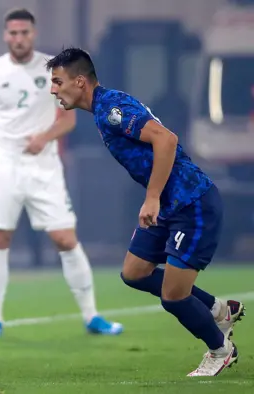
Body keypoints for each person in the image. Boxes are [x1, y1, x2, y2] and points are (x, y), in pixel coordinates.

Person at [45, 47, 245, 377]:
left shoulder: (111, 109)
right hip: (170, 205)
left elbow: (166, 140)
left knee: (173, 297)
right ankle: (217, 309)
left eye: (57, 81)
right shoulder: (102, 108)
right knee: (135, 272)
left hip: (191, 203)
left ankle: (220, 349)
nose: (53, 90)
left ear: (79, 81)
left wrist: (152, 198)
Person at [0, 8, 122, 337]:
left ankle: (92, 315)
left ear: (33, 35)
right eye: (13, 33)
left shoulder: (54, 69)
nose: (18, 38)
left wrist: (44, 138)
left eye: (24, 33)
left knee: (65, 238)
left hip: (44, 165)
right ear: (6, 35)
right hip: (3, 163)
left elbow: (69, 118)